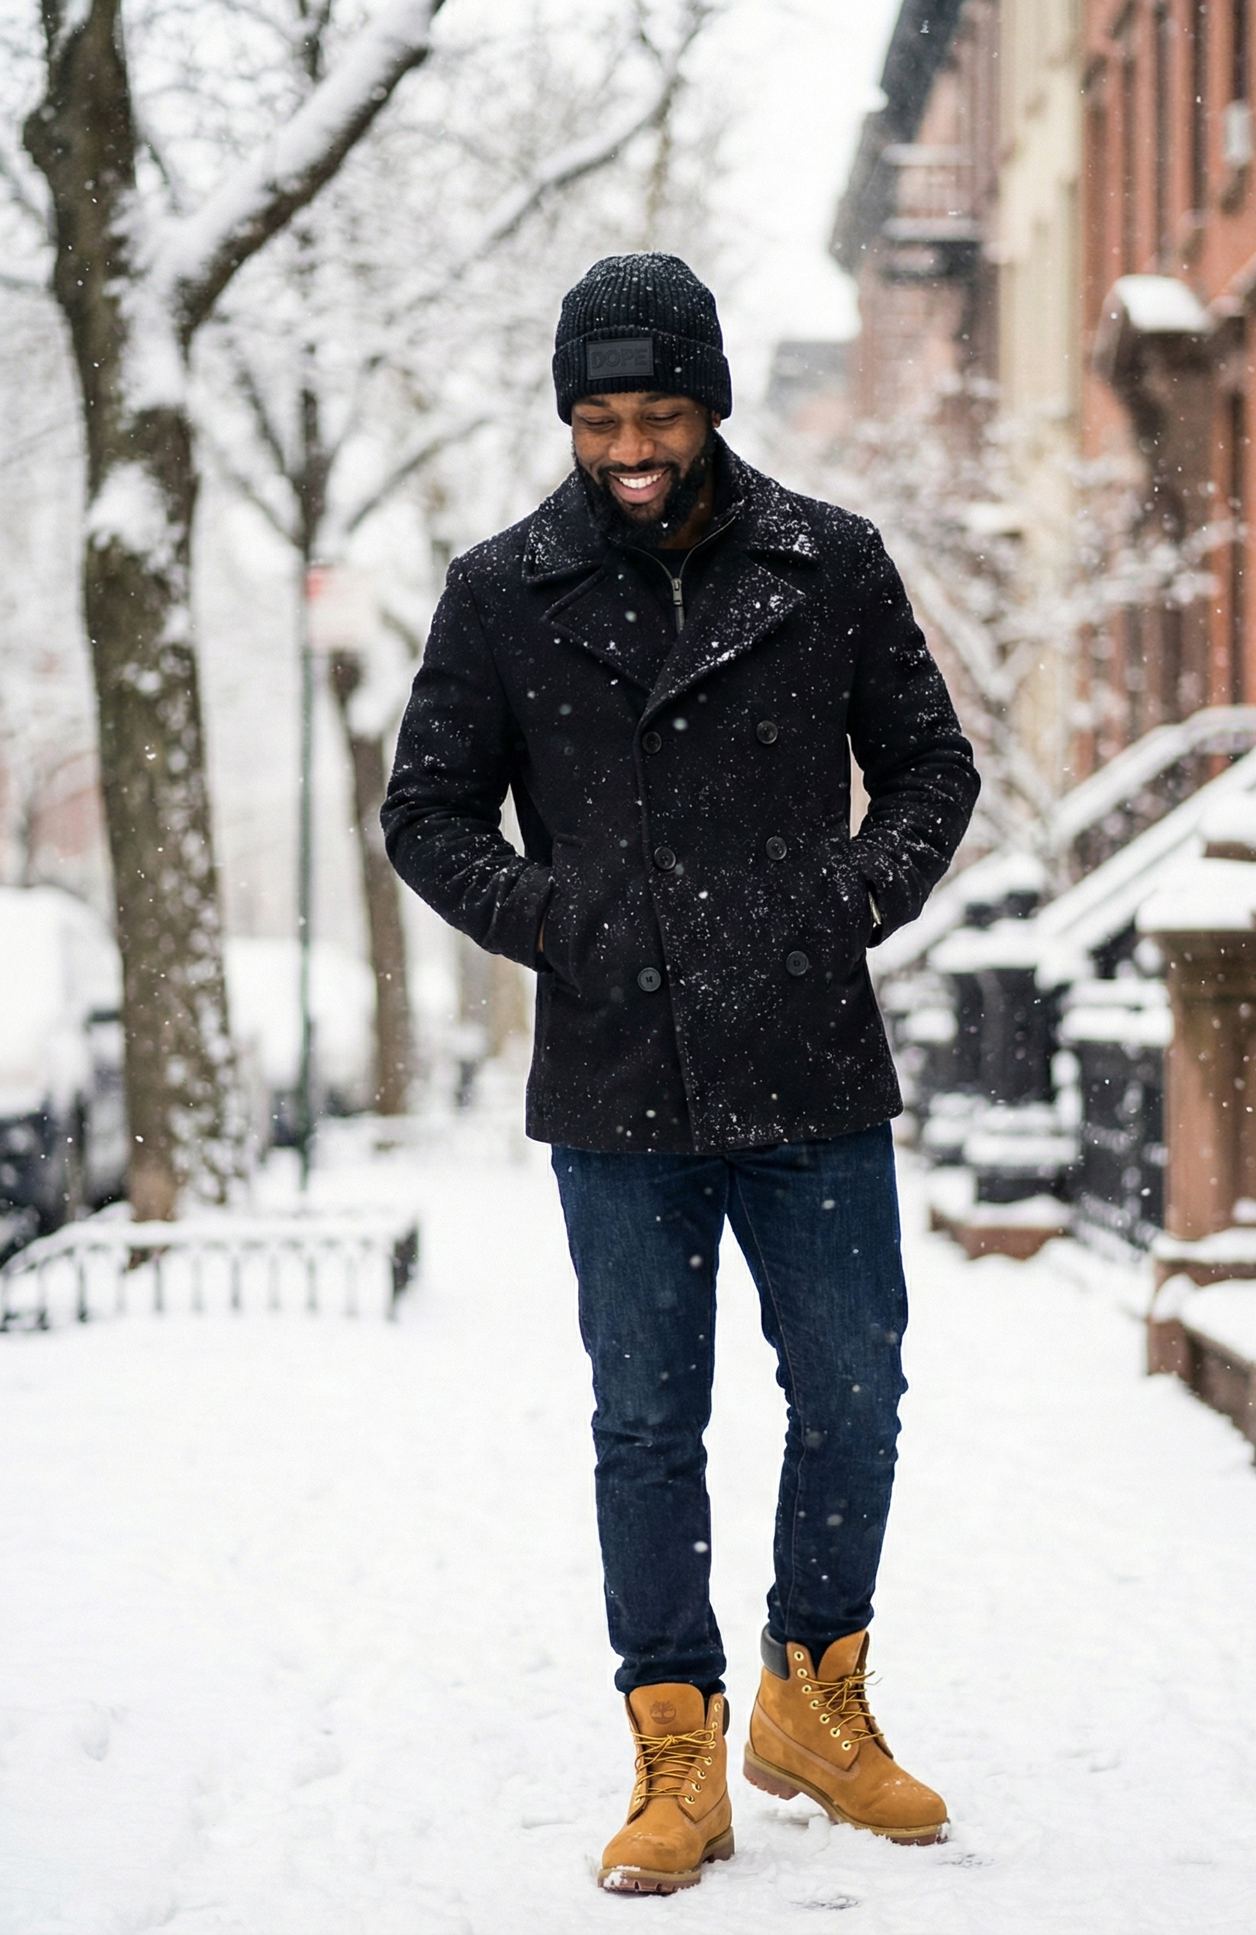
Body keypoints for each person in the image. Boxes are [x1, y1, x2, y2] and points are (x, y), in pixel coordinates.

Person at [382, 253, 980, 1894]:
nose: (629, 449)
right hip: (619, 1072)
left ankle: (814, 1693)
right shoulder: (503, 589)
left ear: (709, 406)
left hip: (809, 1061)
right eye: (598, 421)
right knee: (647, 1420)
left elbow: (932, 762)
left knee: (856, 1389)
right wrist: (555, 917)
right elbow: (427, 809)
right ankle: (675, 1747)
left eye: (656, 416)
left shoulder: (828, 562)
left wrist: (850, 898)